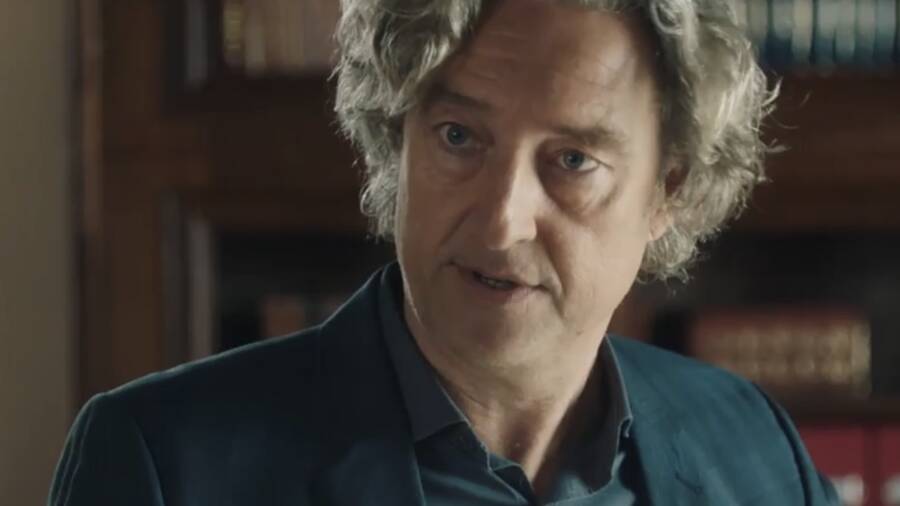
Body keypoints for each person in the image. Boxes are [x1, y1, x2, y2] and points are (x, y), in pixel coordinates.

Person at [49, 0, 839, 504]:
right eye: (459, 138)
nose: (501, 223)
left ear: (668, 190)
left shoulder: (758, 453)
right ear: (396, 140)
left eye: (572, 161)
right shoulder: (166, 466)